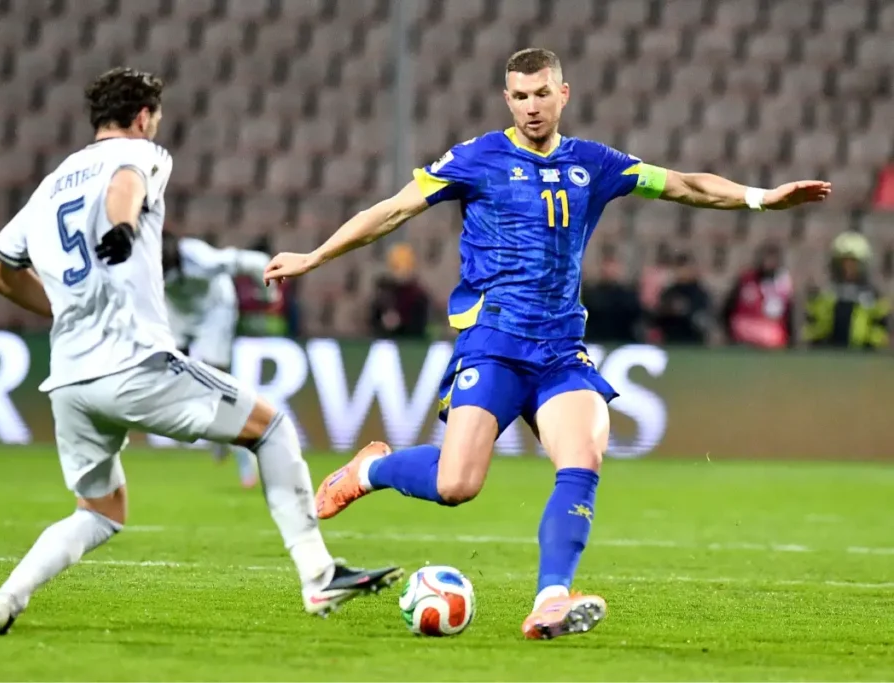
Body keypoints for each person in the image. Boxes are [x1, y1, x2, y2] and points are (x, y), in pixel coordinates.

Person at [263, 48, 830, 640]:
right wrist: (316, 256)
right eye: (519, 96)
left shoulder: (595, 164)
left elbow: (684, 185)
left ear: (564, 94)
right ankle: (373, 469)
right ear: (507, 100)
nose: (531, 107)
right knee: (457, 485)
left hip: (561, 349)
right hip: (494, 344)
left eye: (541, 94)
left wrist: (762, 198)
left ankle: (551, 599)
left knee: (583, 456)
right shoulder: (478, 157)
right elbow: (393, 211)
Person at [0, 67, 400, 636]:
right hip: (135, 365)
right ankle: (319, 575)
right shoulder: (142, 152)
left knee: (99, 512)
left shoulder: (49, 186)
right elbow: (125, 179)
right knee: (270, 429)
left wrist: (62, 308)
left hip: (70, 381)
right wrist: (122, 227)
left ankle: (3, 601)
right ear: (145, 116)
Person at [162, 231, 272, 488]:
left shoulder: (201, 258)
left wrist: (269, 295)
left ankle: (239, 447)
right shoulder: (141, 260)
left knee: (217, 382)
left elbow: (255, 261)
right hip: (177, 313)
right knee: (166, 373)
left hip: (215, 311)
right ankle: (218, 436)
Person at [804, 232, 889, 349]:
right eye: (844, 262)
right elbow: (813, 329)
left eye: (853, 263)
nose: (848, 268)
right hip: (828, 354)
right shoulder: (825, 293)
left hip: (863, 355)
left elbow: (881, 331)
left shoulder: (873, 297)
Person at [721, 243, 794, 348]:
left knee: (773, 336)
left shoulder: (783, 283)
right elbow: (728, 307)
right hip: (745, 328)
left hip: (770, 331)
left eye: (772, 260)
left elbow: (785, 313)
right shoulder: (746, 280)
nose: (769, 263)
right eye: (766, 259)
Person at [368, 242, 432, 338]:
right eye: (397, 268)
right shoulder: (384, 292)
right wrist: (383, 322)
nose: (402, 274)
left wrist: (399, 324)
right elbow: (373, 322)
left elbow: (419, 328)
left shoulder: (418, 295)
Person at [580, 247, 643, 343]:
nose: (609, 270)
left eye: (613, 266)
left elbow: (634, 316)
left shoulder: (628, 294)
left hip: (623, 340)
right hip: (596, 340)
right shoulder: (591, 293)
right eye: (607, 266)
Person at [654, 252, 712, 345]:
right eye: (679, 268)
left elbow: (703, 319)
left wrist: (686, 312)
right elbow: (658, 317)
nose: (683, 272)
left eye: (686, 268)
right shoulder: (669, 292)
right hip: (671, 340)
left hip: (693, 341)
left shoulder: (699, 293)